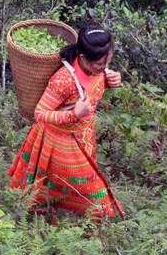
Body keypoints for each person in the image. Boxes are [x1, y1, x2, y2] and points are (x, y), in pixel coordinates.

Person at [7, 23, 124, 219]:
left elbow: (94, 85)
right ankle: (66, 226)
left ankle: (58, 224)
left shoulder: (96, 70)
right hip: (59, 142)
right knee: (91, 195)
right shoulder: (63, 81)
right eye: (100, 64)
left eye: (108, 62)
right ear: (83, 58)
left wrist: (110, 80)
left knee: (61, 188)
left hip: (84, 139)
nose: (105, 68)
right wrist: (73, 115)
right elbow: (40, 113)